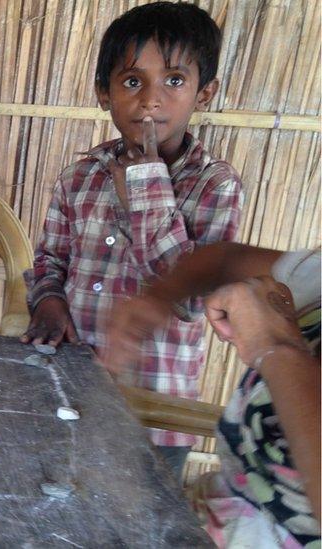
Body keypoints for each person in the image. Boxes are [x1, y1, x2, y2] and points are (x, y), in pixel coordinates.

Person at [20, 1, 243, 477]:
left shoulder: (215, 185)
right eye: (132, 81)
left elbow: (192, 298)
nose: (151, 100)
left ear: (205, 93)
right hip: (73, 389)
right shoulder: (79, 176)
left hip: (154, 412)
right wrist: (48, 301)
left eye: (175, 80)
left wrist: (145, 189)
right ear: (104, 93)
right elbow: (50, 258)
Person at [103, 243, 320, 547]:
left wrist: (278, 350)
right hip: (196, 527)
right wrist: (160, 297)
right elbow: (226, 260)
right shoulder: (317, 277)